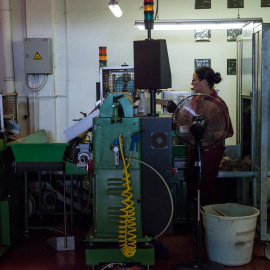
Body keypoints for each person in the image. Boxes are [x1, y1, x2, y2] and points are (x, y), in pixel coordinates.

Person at [184, 66, 234, 206]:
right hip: (194, 148)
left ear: (204, 81)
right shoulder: (196, 100)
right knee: (193, 180)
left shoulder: (218, 103)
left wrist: (208, 134)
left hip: (210, 152)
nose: (192, 83)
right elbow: (183, 117)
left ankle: (210, 216)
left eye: (194, 80)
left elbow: (227, 131)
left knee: (207, 180)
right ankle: (198, 217)